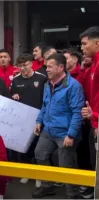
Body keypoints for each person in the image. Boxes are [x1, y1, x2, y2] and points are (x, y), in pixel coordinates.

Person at [32, 53, 85, 199]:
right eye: (46, 66)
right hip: (48, 130)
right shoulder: (47, 85)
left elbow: (77, 112)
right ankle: (47, 186)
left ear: (61, 67)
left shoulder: (73, 86)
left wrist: (71, 135)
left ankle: (72, 194)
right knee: (40, 154)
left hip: (65, 133)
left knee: (66, 164)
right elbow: (45, 106)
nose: (47, 70)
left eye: (50, 66)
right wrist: (39, 121)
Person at [10, 53, 47, 188]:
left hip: (38, 119)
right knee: (23, 148)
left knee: (38, 148)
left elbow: (46, 98)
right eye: (20, 66)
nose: (23, 68)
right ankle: (26, 173)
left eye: (25, 65)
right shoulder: (16, 80)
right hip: (21, 120)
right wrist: (13, 96)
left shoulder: (42, 78)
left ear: (31, 64)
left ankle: (38, 176)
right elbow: (11, 97)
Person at [80, 26, 99, 199]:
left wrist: (96, 119)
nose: (82, 48)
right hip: (92, 120)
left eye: (84, 44)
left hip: (97, 123)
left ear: (97, 43)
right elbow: (88, 90)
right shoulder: (94, 64)